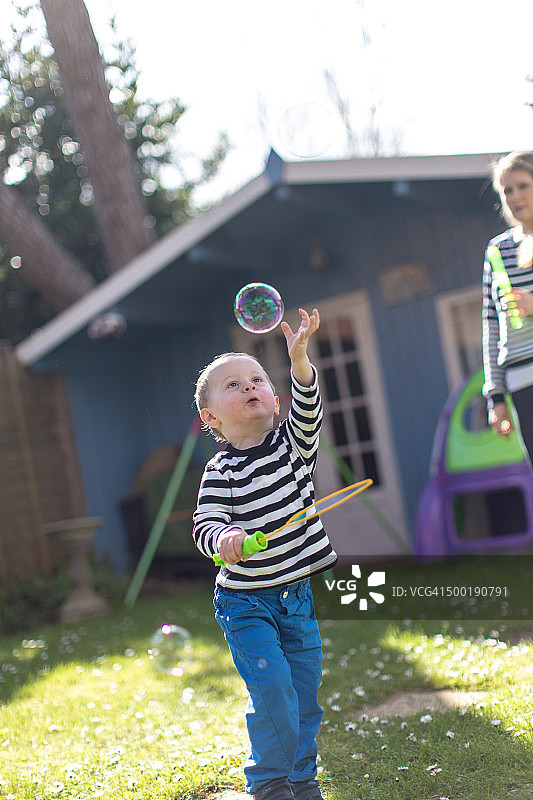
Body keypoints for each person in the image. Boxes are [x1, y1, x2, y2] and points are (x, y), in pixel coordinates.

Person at [192, 307, 337, 800]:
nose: (249, 386)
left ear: (275, 400)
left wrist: (298, 360)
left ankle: (302, 779)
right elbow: (205, 525)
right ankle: (269, 782)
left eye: (256, 379)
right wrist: (226, 539)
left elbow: (309, 403)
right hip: (246, 602)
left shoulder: (293, 447)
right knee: (274, 691)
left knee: (304, 694)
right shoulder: (220, 472)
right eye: (232, 385)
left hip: (295, 596)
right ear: (211, 418)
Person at [483, 151, 533, 462]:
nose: (514, 196)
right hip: (521, 384)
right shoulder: (497, 250)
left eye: (523, 186)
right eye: (507, 190)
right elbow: (489, 326)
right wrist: (496, 397)